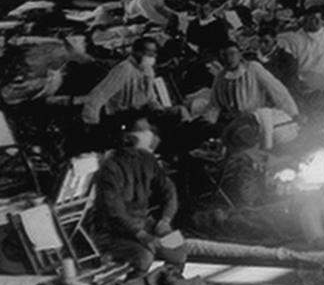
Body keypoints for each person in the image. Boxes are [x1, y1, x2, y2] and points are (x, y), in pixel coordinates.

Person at [90, 120, 185, 272]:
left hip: (145, 224)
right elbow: (114, 210)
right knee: (144, 258)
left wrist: (165, 220)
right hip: (114, 233)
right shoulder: (110, 167)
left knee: (178, 249)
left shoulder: (147, 159)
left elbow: (169, 191)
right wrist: (141, 235)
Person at [82, 37, 174, 127]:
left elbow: (150, 95)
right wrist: (91, 121)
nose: (153, 56)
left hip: (140, 112)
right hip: (122, 116)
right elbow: (100, 94)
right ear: (136, 52)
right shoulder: (125, 69)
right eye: (148, 53)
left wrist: (158, 108)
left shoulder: (148, 70)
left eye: (153, 53)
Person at [208, 43, 300, 127]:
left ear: (239, 54)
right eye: (224, 55)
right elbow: (214, 104)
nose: (228, 58)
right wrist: (210, 121)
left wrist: (292, 113)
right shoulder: (220, 78)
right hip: (236, 124)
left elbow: (277, 90)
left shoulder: (253, 68)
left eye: (232, 54)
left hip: (259, 118)